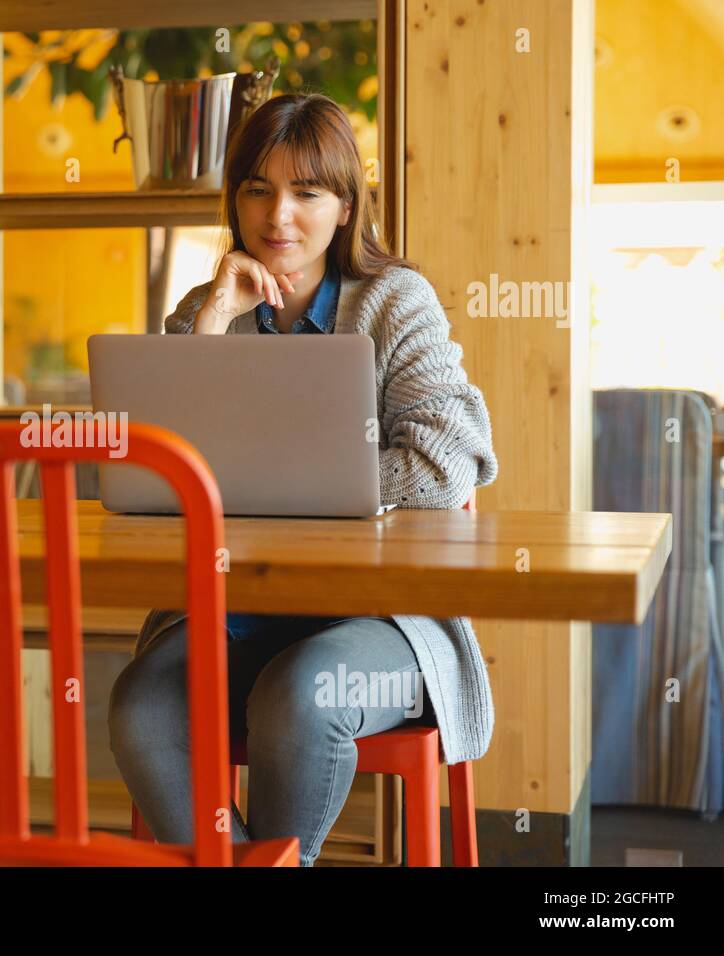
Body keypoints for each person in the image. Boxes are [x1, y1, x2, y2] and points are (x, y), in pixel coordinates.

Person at [107, 93, 499, 866]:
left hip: (383, 627)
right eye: (256, 188)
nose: (277, 214)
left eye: (306, 192)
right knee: (142, 706)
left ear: (345, 207)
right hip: (237, 610)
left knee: (302, 695)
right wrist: (215, 320)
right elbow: (158, 464)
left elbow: (445, 457)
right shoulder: (205, 309)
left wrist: (295, 491)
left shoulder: (393, 302)